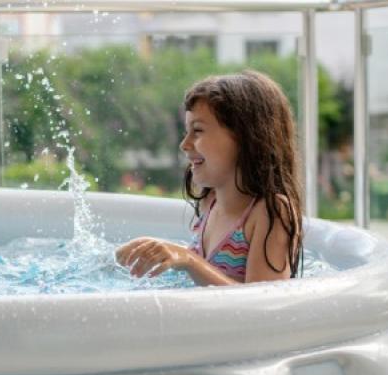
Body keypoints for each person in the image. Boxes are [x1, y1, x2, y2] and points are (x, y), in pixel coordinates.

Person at [116, 70, 302, 286]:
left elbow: (262, 303)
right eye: (187, 131)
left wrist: (189, 260)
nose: (184, 144)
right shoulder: (209, 202)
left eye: (197, 131)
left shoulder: (271, 212)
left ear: (245, 137)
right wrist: (156, 251)